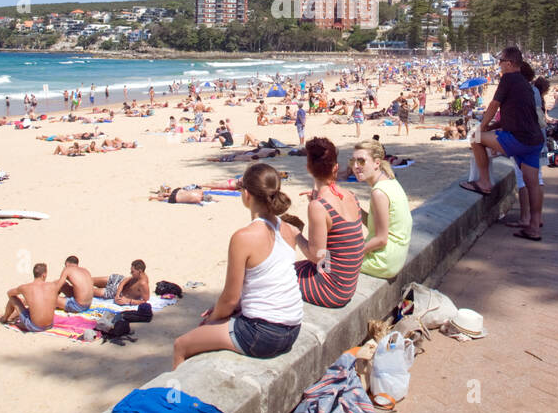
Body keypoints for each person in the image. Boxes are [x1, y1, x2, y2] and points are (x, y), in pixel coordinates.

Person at [172, 162, 303, 368]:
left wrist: (214, 318)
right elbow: (267, 281)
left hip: (262, 334)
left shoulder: (244, 237)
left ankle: (173, 399)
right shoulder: (287, 229)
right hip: (293, 329)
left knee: (181, 345)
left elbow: (230, 298)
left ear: (247, 195)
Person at [464, 47, 547, 237]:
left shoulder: (508, 79)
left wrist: (482, 127)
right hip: (535, 139)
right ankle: (534, 226)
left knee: (475, 139)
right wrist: (491, 128)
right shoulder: (526, 84)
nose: (498, 64)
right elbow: (514, 115)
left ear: (509, 63)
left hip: (518, 138)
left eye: (500, 60)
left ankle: (484, 182)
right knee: (533, 183)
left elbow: (494, 105)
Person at [288, 137, 366, 307]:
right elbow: (339, 241)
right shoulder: (351, 195)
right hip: (347, 282)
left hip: (331, 289)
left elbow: (317, 257)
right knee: (291, 268)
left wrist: (296, 234)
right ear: (336, 168)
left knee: (274, 277)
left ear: (308, 168)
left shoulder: (319, 206)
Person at [353, 140, 412, 280]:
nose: (355, 166)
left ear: (377, 163)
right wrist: (355, 209)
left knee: (328, 259)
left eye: (361, 161)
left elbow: (381, 239)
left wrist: (353, 254)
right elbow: (380, 226)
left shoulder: (379, 192)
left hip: (383, 261)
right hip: (395, 256)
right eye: (353, 161)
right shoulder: (390, 182)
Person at [0, 263, 59, 332]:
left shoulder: (25, 287)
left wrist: (22, 297)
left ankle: (4, 318)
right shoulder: (52, 286)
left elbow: (9, 293)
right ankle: (10, 317)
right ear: (44, 275)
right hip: (50, 325)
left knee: (12, 298)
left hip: (35, 327)